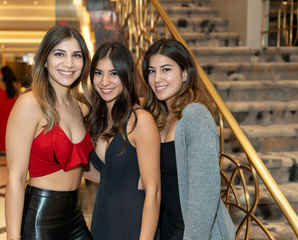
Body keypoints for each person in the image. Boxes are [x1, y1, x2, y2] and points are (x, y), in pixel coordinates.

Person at [5, 25, 93, 240]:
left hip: (76, 216)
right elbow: (15, 178)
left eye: (76, 55)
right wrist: (12, 237)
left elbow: (83, 167)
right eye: (59, 54)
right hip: (40, 219)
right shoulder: (30, 104)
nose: (69, 63)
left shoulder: (82, 108)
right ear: (44, 59)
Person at [142, 39, 235, 240]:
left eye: (166, 69)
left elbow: (204, 199)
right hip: (167, 229)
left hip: (192, 233)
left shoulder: (195, 116)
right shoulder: (158, 118)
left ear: (185, 73)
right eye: (151, 71)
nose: (157, 78)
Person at [84, 42, 161, 240]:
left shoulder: (140, 120)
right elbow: (107, 175)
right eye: (99, 73)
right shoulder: (96, 120)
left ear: (125, 76)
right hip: (103, 219)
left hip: (132, 222)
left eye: (113, 73)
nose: (104, 81)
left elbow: (154, 191)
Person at [0, 66, 20, 155]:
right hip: (13, 110)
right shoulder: (16, 84)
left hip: (3, 110)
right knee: (14, 129)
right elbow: (19, 97)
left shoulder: (0, 84)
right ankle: (14, 148)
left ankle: (3, 149)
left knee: (3, 129)